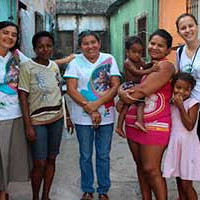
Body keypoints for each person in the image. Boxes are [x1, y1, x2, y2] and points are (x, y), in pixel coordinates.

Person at [118, 29, 175, 200]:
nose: (155, 47)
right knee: (141, 167)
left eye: (161, 45)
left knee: (151, 169)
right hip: (133, 123)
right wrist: (122, 90)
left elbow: (141, 90)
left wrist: (122, 97)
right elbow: (129, 84)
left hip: (155, 125)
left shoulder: (166, 66)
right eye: (152, 43)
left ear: (168, 50)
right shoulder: (145, 65)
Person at [64, 30, 121, 200]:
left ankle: (103, 190)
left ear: (99, 43)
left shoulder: (109, 59)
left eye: (93, 42)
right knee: (86, 155)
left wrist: (96, 105)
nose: (90, 46)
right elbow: (71, 89)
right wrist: (90, 109)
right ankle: (88, 189)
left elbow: (115, 86)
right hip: (82, 117)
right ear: (80, 46)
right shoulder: (75, 62)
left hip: (107, 115)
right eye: (85, 43)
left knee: (103, 154)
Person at [18, 31, 74, 200]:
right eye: (41, 46)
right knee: (39, 163)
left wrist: (68, 117)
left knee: (51, 159)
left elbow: (60, 92)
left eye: (48, 46)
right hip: (37, 122)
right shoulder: (27, 67)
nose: (45, 49)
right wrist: (28, 126)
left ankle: (46, 196)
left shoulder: (54, 66)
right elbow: (23, 96)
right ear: (35, 48)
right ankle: (35, 196)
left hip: (56, 120)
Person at [0, 21, 30, 200]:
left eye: (13, 34)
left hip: (13, 115)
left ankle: (3, 193)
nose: (9, 37)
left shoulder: (17, 56)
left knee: (7, 158)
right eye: (5, 32)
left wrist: (66, 60)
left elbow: (37, 66)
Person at [163, 72, 200, 200]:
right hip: (176, 144)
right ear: (173, 86)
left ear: (191, 90)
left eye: (186, 89)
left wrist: (180, 107)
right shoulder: (171, 102)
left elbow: (189, 125)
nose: (182, 92)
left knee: (186, 183)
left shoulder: (193, 103)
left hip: (188, 146)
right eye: (178, 87)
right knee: (179, 179)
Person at [115, 36, 159, 136]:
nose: (137, 55)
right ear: (127, 52)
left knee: (130, 106)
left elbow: (145, 66)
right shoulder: (128, 62)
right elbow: (137, 72)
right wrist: (151, 70)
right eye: (134, 52)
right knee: (139, 104)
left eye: (140, 52)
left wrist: (151, 63)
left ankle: (123, 126)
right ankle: (134, 122)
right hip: (130, 85)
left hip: (135, 85)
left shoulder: (138, 60)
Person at [176, 13, 200, 139]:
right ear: (179, 32)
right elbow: (179, 79)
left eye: (191, 26)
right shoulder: (179, 52)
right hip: (190, 108)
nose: (188, 30)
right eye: (183, 28)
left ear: (197, 26)